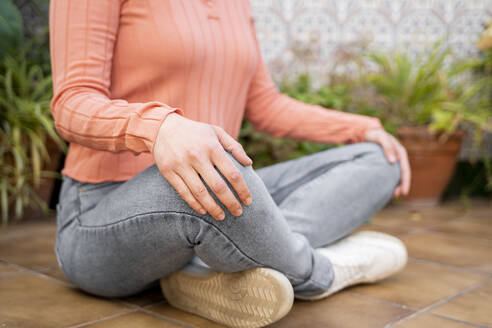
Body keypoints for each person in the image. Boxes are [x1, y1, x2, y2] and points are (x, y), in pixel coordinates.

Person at [50, 1, 411, 327]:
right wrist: (158, 128)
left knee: (380, 158)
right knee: (213, 171)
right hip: (101, 214)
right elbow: (71, 103)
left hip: (215, 190)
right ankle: (320, 272)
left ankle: (215, 262)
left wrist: (360, 128)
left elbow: (265, 105)